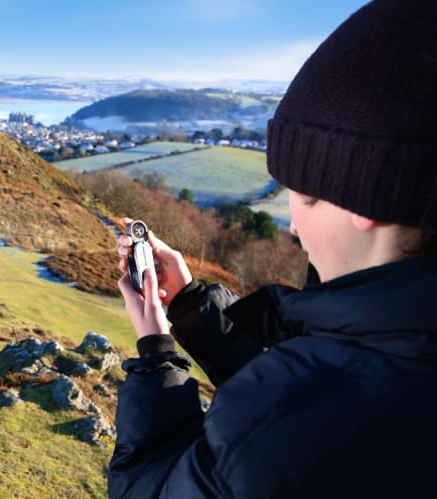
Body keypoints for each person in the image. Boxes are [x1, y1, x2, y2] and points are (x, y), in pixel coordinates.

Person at [108, 0, 437, 497]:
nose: (295, 226)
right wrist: (193, 309)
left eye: (303, 195)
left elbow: (150, 487)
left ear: (367, 201)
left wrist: (156, 352)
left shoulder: (284, 430)